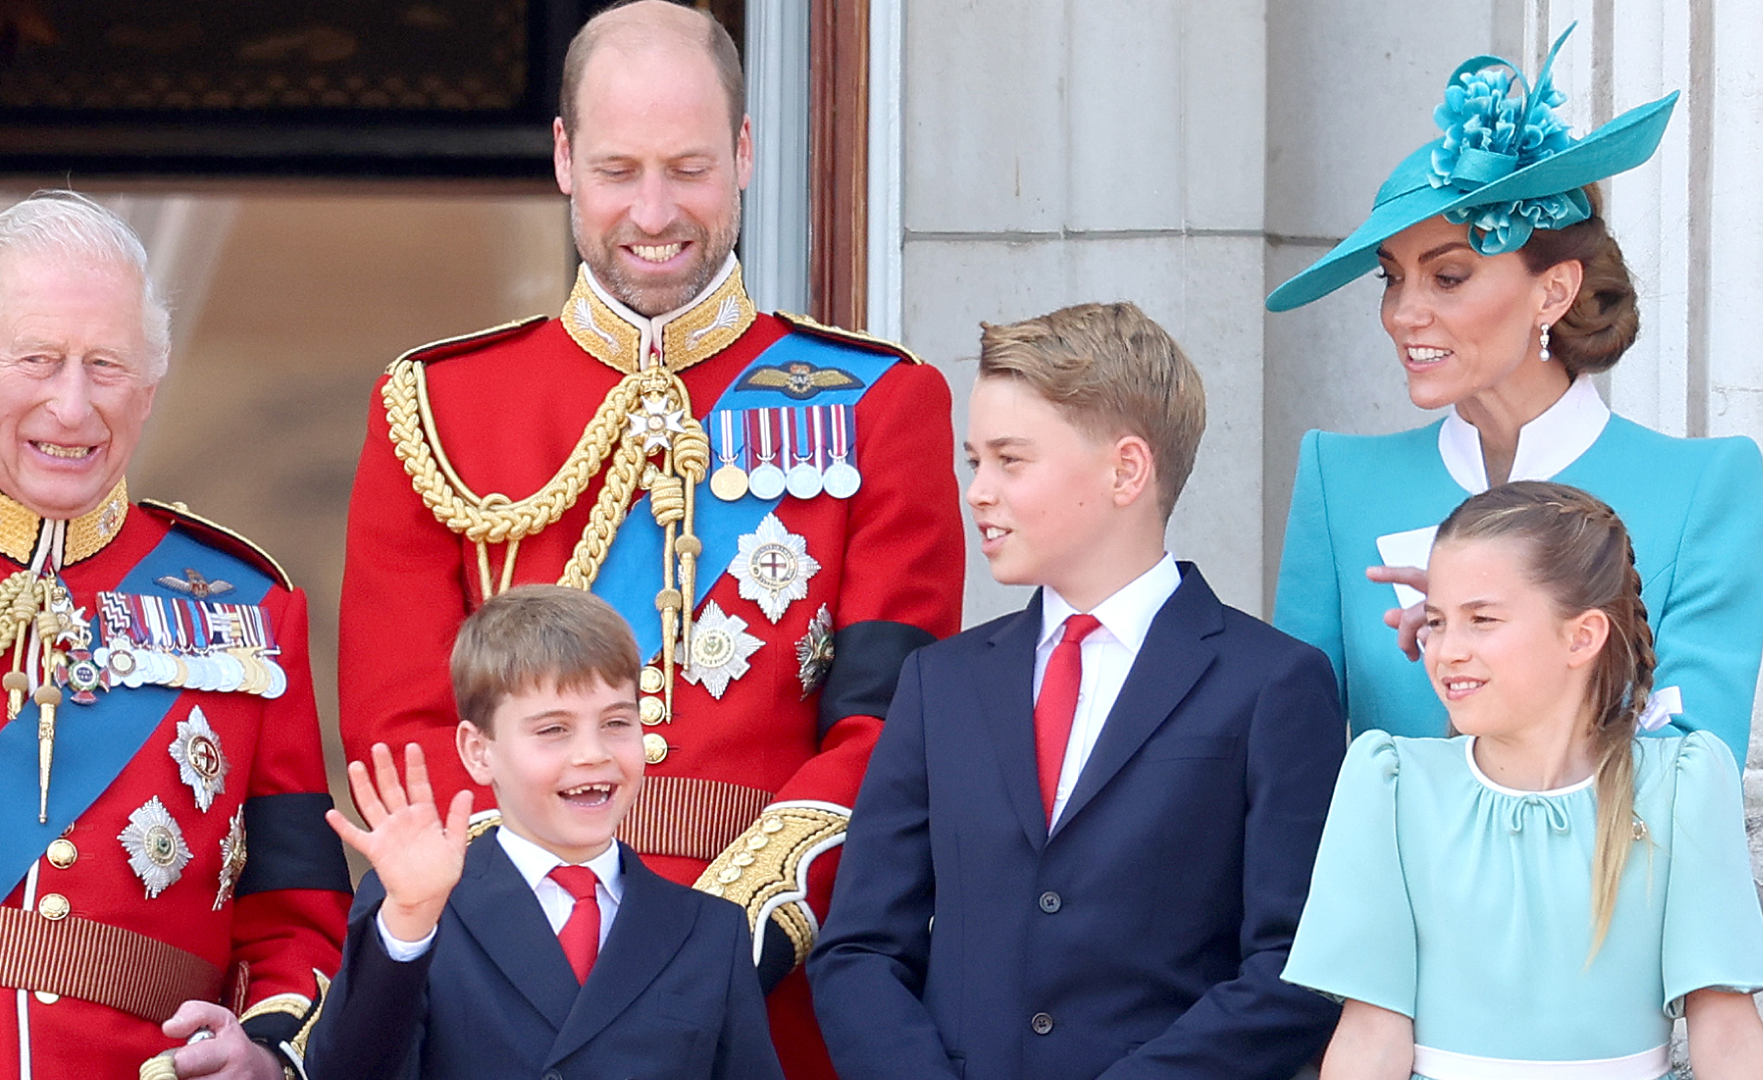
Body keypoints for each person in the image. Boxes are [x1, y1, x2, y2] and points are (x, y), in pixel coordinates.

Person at [335, 3, 963, 1072]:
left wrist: (712, 941)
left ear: (748, 154)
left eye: (691, 167)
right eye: (621, 169)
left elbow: (885, 734)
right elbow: (404, 731)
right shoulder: (435, 407)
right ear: (565, 158)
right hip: (503, 985)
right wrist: (549, 930)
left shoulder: (879, 403)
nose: (657, 211)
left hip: (772, 984)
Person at [0, 192, 350, 1079]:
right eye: (37, 359)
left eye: (106, 366)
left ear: (150, 387)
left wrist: (267, 1053)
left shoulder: (249, 608)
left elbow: (298, 922)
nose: (72, 409)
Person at [809, 302, 1347, 1079]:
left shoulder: (1271, 683)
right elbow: (860, 948)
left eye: (1010, 460)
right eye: (973, 462)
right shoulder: (940, 682)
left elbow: (1293, 966)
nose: (977, 492)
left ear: (1127, 470)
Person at [1268, 27, 1763, 753]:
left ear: (1553, 291)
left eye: (1448, 276)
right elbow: (1294, 765)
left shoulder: (1703, 489)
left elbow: (1692, 765)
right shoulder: (1339, 483)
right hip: (1397, 871)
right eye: (1391, 277)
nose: (1405, 313)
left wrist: (1490, 663)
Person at [1285, 481, 1763, 1078]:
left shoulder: (1681, 786)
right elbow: (1371, 1033)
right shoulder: (1391, 785)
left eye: (1481, 619)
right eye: (1436, 620)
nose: (1447, 649)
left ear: (1582, 636)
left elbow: (1728, 1033)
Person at [307, 586, 782, 1080]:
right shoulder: (417, 907)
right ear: (478, 751)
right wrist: (408, 921)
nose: (592, 753)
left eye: (617, 722)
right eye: (553, 730)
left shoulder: (709, 930)